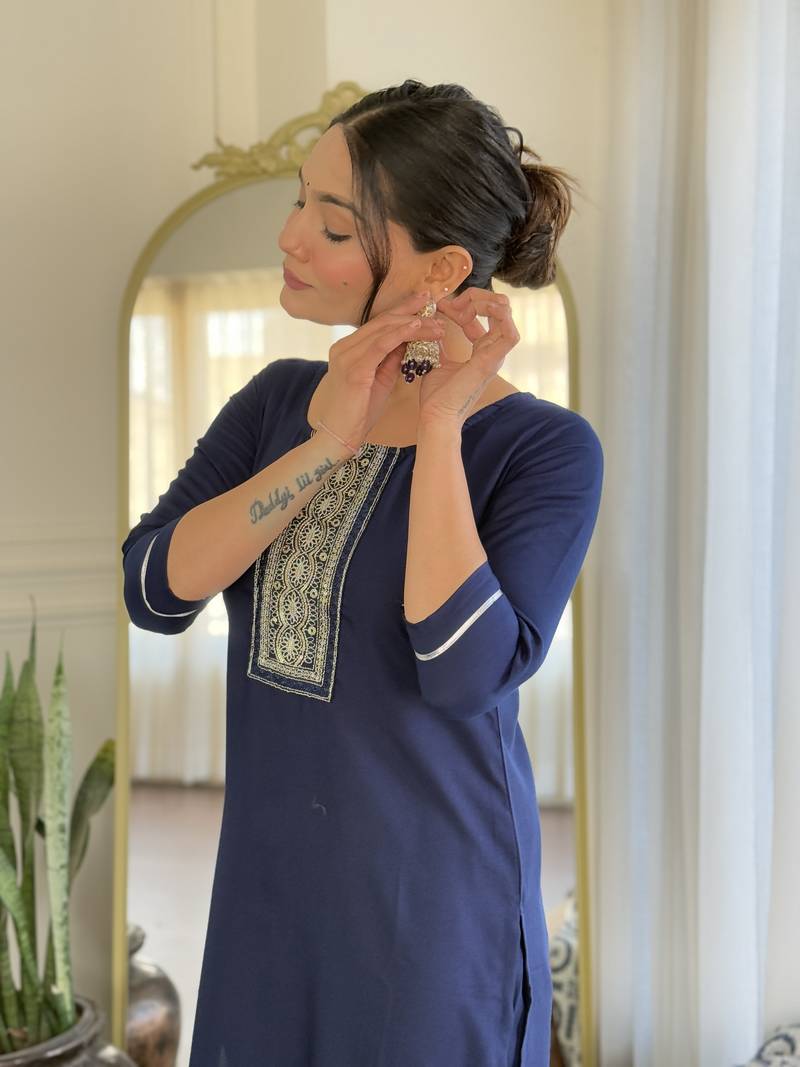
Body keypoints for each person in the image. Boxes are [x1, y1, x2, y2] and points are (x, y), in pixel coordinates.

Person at [121, 79, 604, 1067]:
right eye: (299, 201)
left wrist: (439, 423)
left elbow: (462, 673)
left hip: (431, 912)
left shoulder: (543, 450)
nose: (291, 236)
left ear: (444, 269)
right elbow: (152, 590)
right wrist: (324, 444)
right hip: (267, 897)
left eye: (334, 225)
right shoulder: (277, 403)